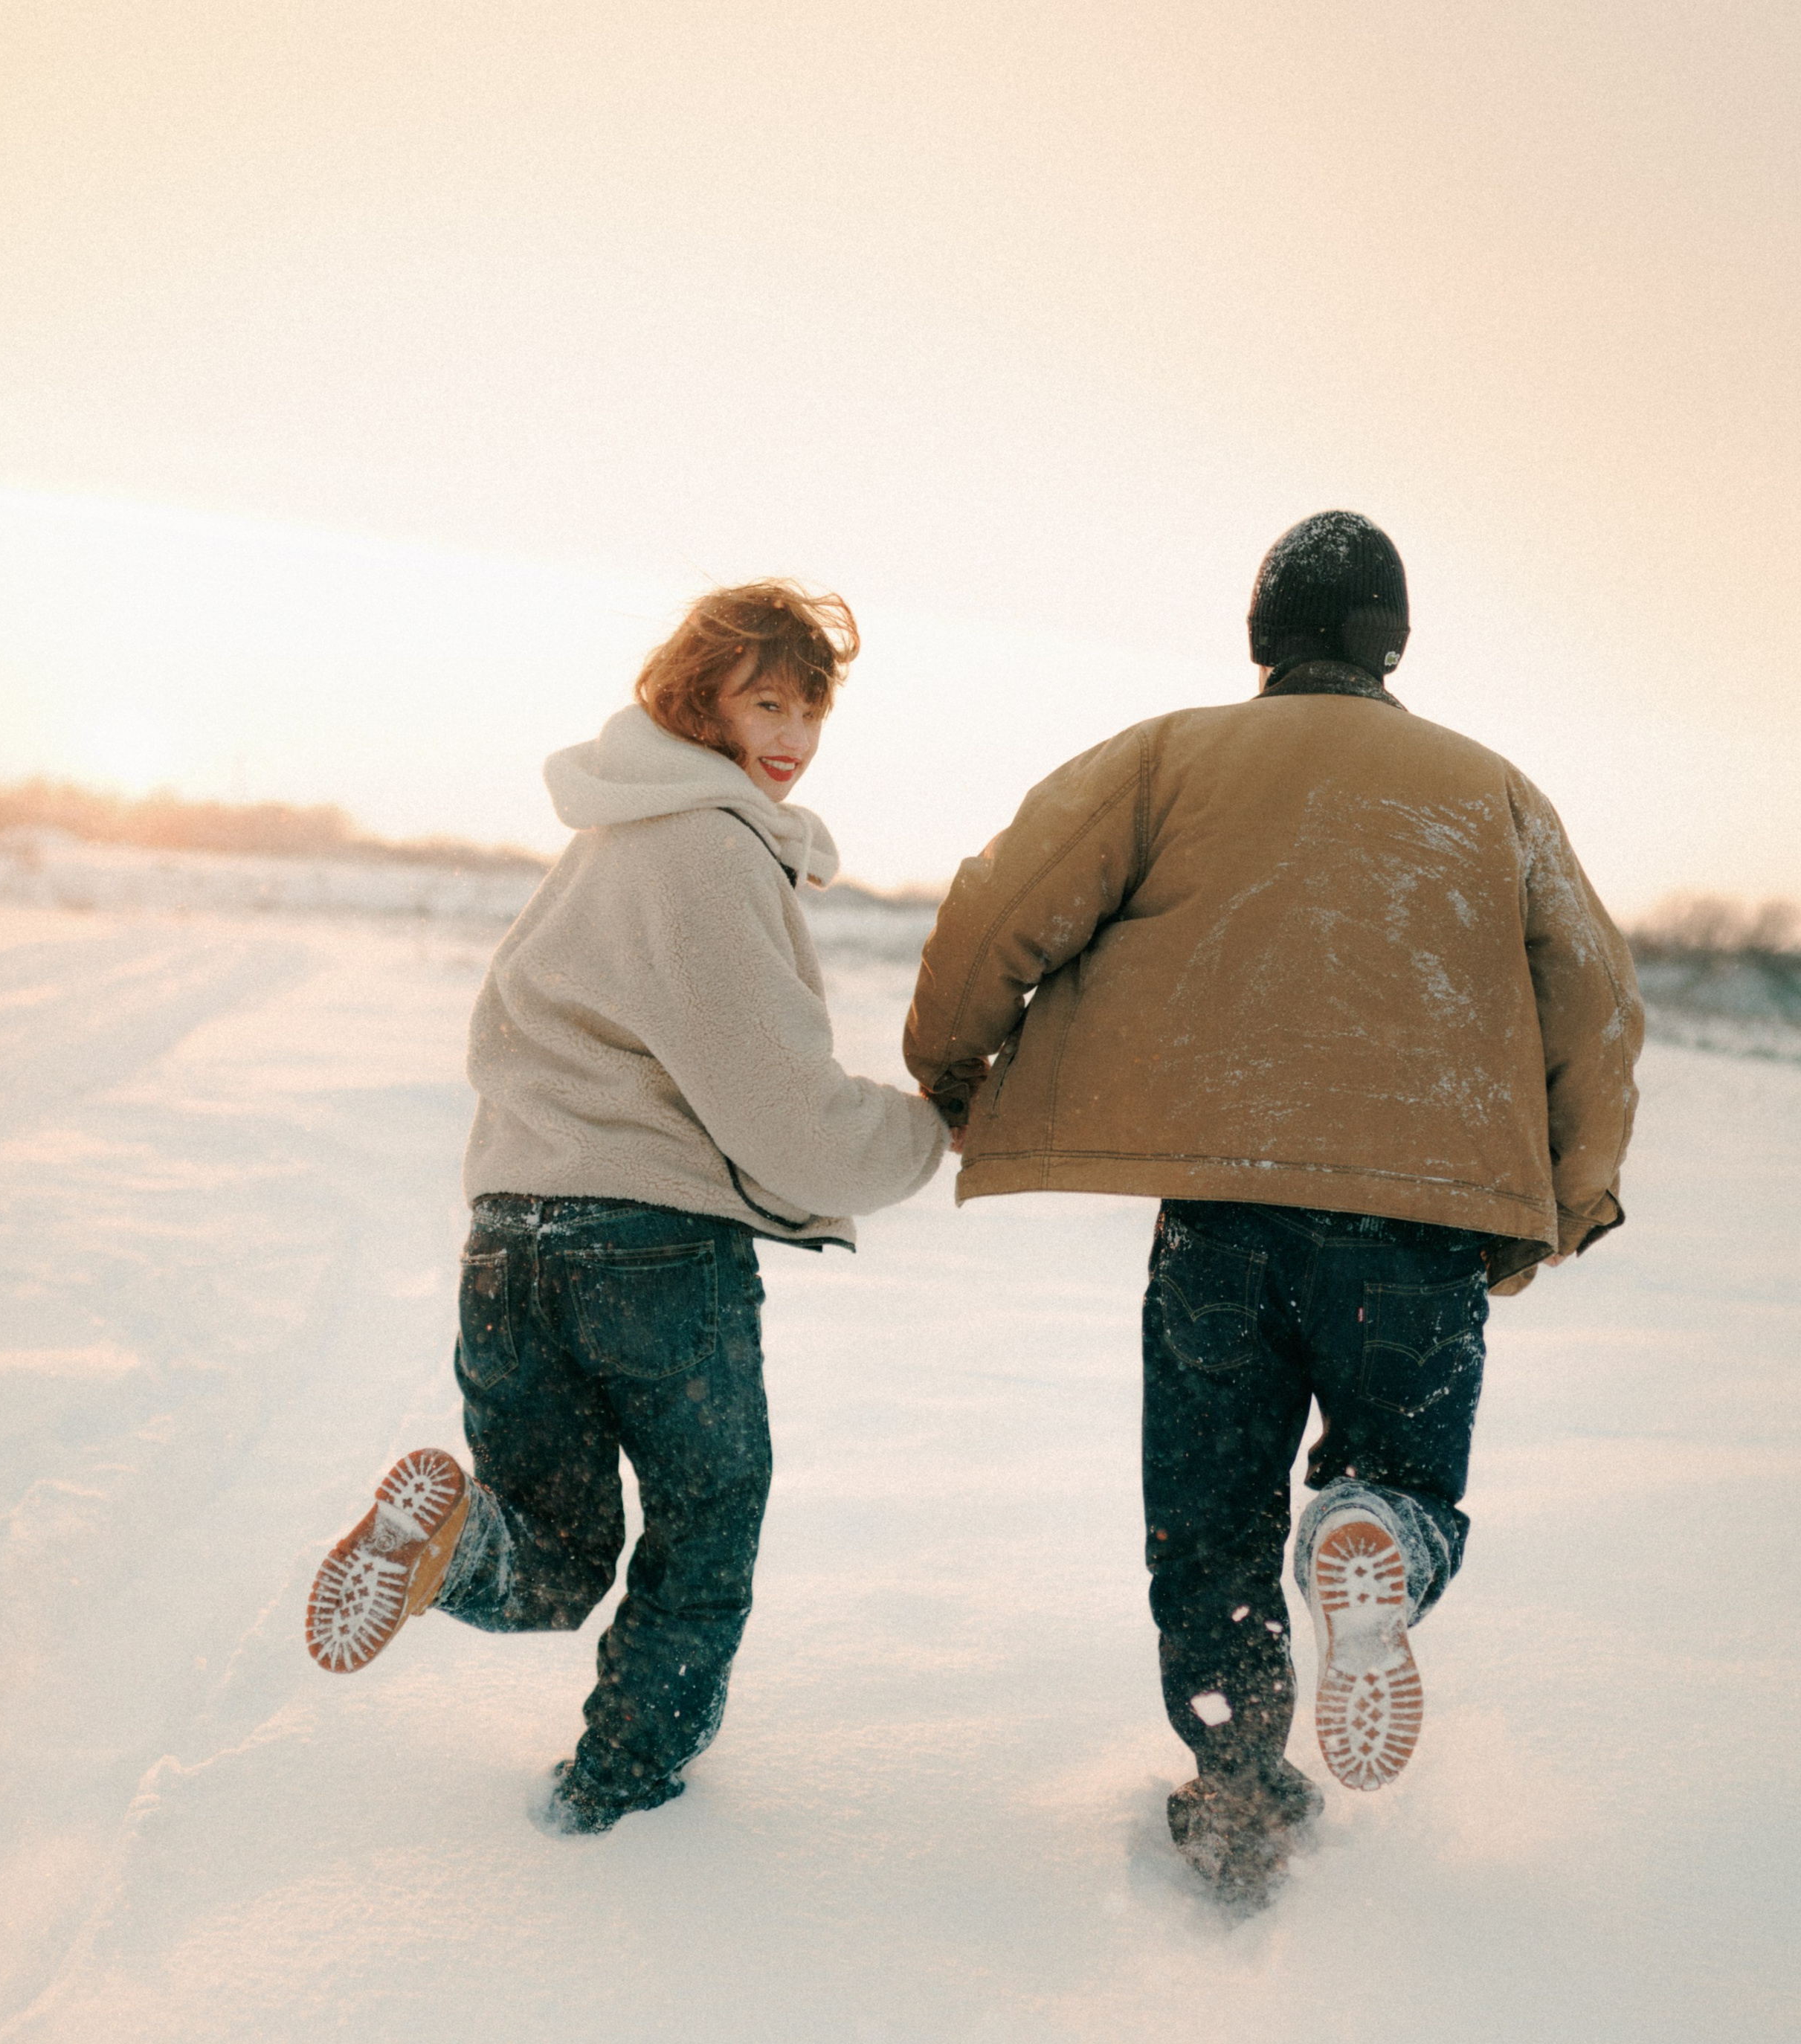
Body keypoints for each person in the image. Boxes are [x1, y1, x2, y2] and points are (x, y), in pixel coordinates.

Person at [903, 512, 1643, 1902]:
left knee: (1211, 1516)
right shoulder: (1492, 793)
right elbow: (1594, 1003)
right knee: (1403, 1477)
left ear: (1261, 635)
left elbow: (1005, 904)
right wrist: (1575, 1194)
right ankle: (1376, 1542)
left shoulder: (1169, 758)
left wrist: (951, 1066)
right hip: (1421, 1229)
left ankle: (1237, 1786)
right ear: (1393, 643)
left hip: (1223, 1222)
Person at [306, 582, 949, 1833]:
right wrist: (933, 1129)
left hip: (509, 1245)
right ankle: (618, 1795)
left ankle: (448, 1547)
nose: (794, 736)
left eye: (811, 710)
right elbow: (788, 1115)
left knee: (552, 1557)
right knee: (704, 1533)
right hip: (650, 1257)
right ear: (697, 701)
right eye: (766, 703)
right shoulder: (704, 849)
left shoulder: (602, 847)